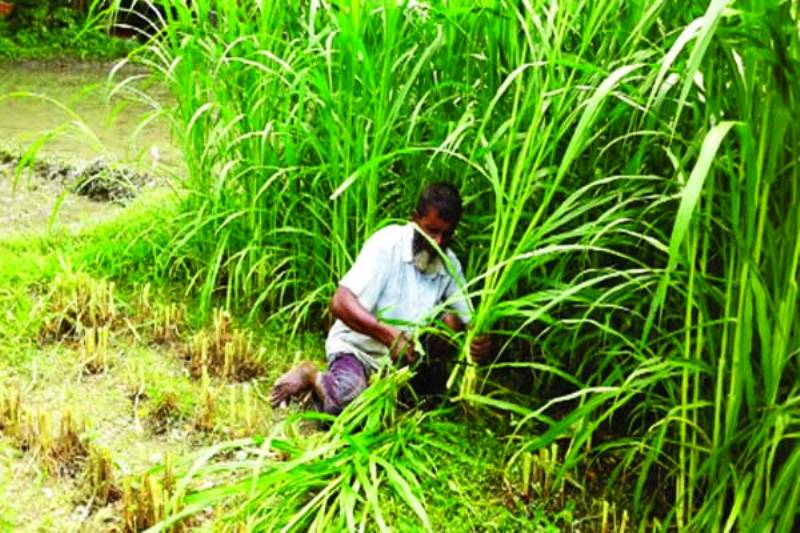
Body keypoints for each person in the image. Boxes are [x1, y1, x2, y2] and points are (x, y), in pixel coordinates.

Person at [269, 182, 490, 413]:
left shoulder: (449, 263)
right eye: (432, 231)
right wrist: (389, 336)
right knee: (348, 404)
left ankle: (420, 392)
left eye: (447, 234)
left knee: (451, 322)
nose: (439, 242)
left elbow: (469, 319)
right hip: (359, 350)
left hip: (402, 363)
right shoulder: (387, 245)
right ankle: (311, 374)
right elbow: (340, 302)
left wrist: (478, 340)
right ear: (414, 220)